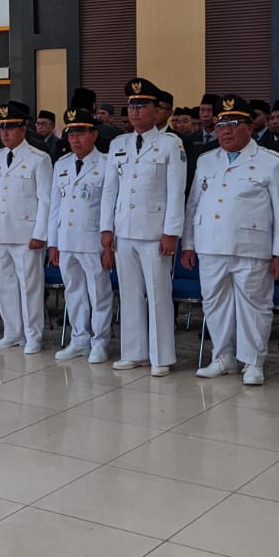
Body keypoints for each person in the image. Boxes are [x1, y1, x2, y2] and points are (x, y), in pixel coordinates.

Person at [182, 96, 279, 385]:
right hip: (210, 244)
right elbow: (193, 204)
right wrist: (188, 243)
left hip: (251, 247)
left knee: (254, 305)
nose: (226, 131)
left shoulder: (272, 162)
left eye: (233, 124)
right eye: (221, 125)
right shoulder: (206, 160)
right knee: (214, 303)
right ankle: (223, 356)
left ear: (250, 127)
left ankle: (253, 362)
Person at [100, 78, 188, 376]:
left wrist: (171, 232)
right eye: (132, 106)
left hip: (154, 232)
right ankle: (134, 352)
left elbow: (176, 191)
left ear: (156, 110)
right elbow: (110, 190)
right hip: (124, 229)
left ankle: (161, 356)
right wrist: (106, 229)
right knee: (129, 293)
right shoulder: (118, 144)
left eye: (142, 106)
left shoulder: (170, 143)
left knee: (158, 294)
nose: (135, 112)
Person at [0, 102, 52, 353]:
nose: (5, 133)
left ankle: (33, 336)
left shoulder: (38, 159)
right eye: (2, 127)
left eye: (11, 127)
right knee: (4, 286)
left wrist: (40, 234)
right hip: (0, 233)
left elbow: (45, 200)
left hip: (26, 235)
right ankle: (12, 332)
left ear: (23, 128)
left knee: (30, 288)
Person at [48, 107, 115, 363]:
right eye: (71, 133)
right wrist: (53, 243)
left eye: (80, 133)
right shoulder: (62, 164)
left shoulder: (106, 164)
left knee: (99, 294)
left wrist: (108, 245)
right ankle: (79, 339)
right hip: (67, 239)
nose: (74, 139)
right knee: (73, 292)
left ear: (94, 135)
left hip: (93, 240)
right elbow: (55, 207)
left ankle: (100, 342)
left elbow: (109, 206)